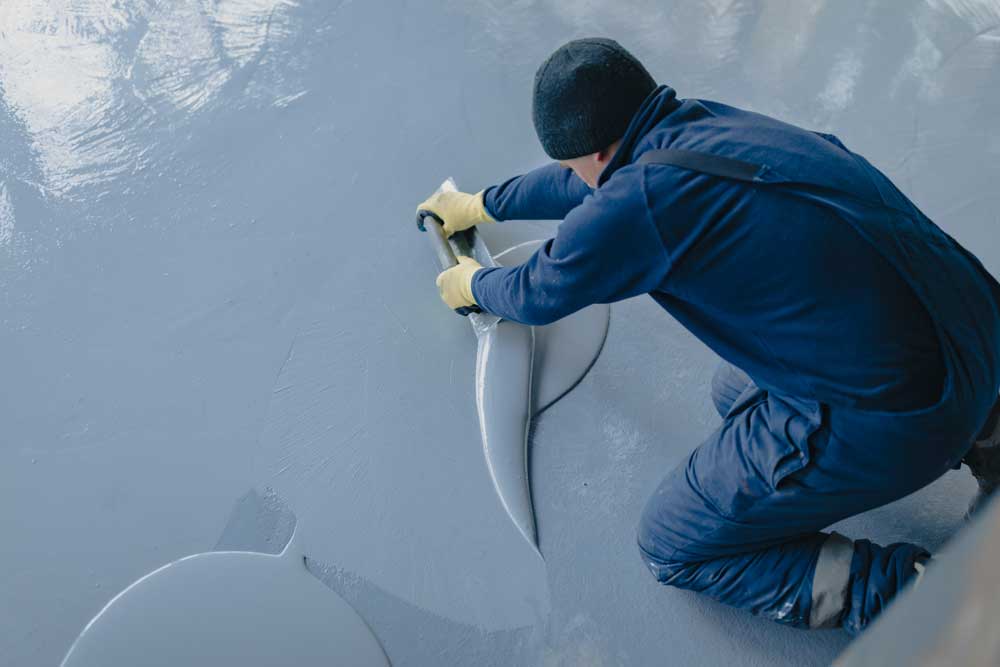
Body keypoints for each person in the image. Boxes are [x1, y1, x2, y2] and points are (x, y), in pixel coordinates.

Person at [415, 37, 1000, 635]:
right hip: (979, 337)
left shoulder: (641, 200)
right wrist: (482, 205)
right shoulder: (704, 124)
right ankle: (992, 440)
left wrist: (473, 284)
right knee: (732, 389)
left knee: (672, 542)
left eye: (573, 165)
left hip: (904, 414)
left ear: (592, 155)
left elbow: (538, 291)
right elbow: (589, 187)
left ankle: (926, 599)